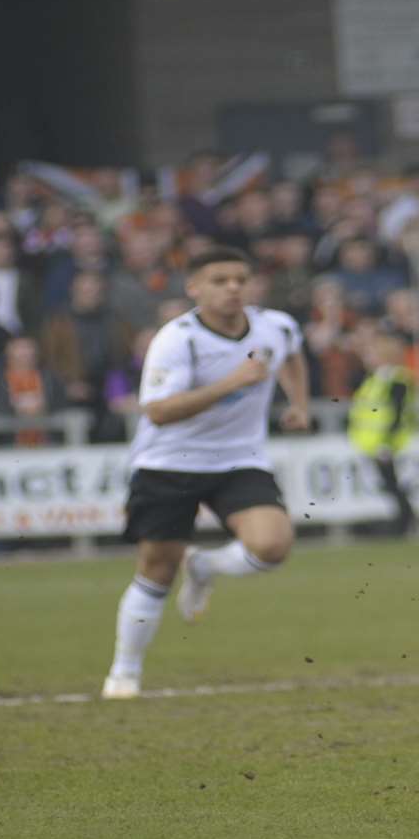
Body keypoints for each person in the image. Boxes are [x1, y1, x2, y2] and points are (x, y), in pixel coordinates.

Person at [100, 247, 311, 700]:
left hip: (239, 458)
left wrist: (298, 403)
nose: (233, 288)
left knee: (272, 545)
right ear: (194, 288)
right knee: (157, 568)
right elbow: (157, 411)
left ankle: (205, 565)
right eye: (219, 280)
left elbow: (291, 353)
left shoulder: (275, 325)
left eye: (240, 278)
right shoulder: (177, 339)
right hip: (168, 463)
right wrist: (233, 382)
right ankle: (125, 672)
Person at [349, 328, 419, 537]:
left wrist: (386, 443)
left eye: (370, 353)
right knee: (388, 484)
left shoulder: (396, 379)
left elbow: (397, 412)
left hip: (389, 443)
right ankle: (401, 522)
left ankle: (404, 523)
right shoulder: (378, 378)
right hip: (375, 442)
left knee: (392, 484)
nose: (366, 357)